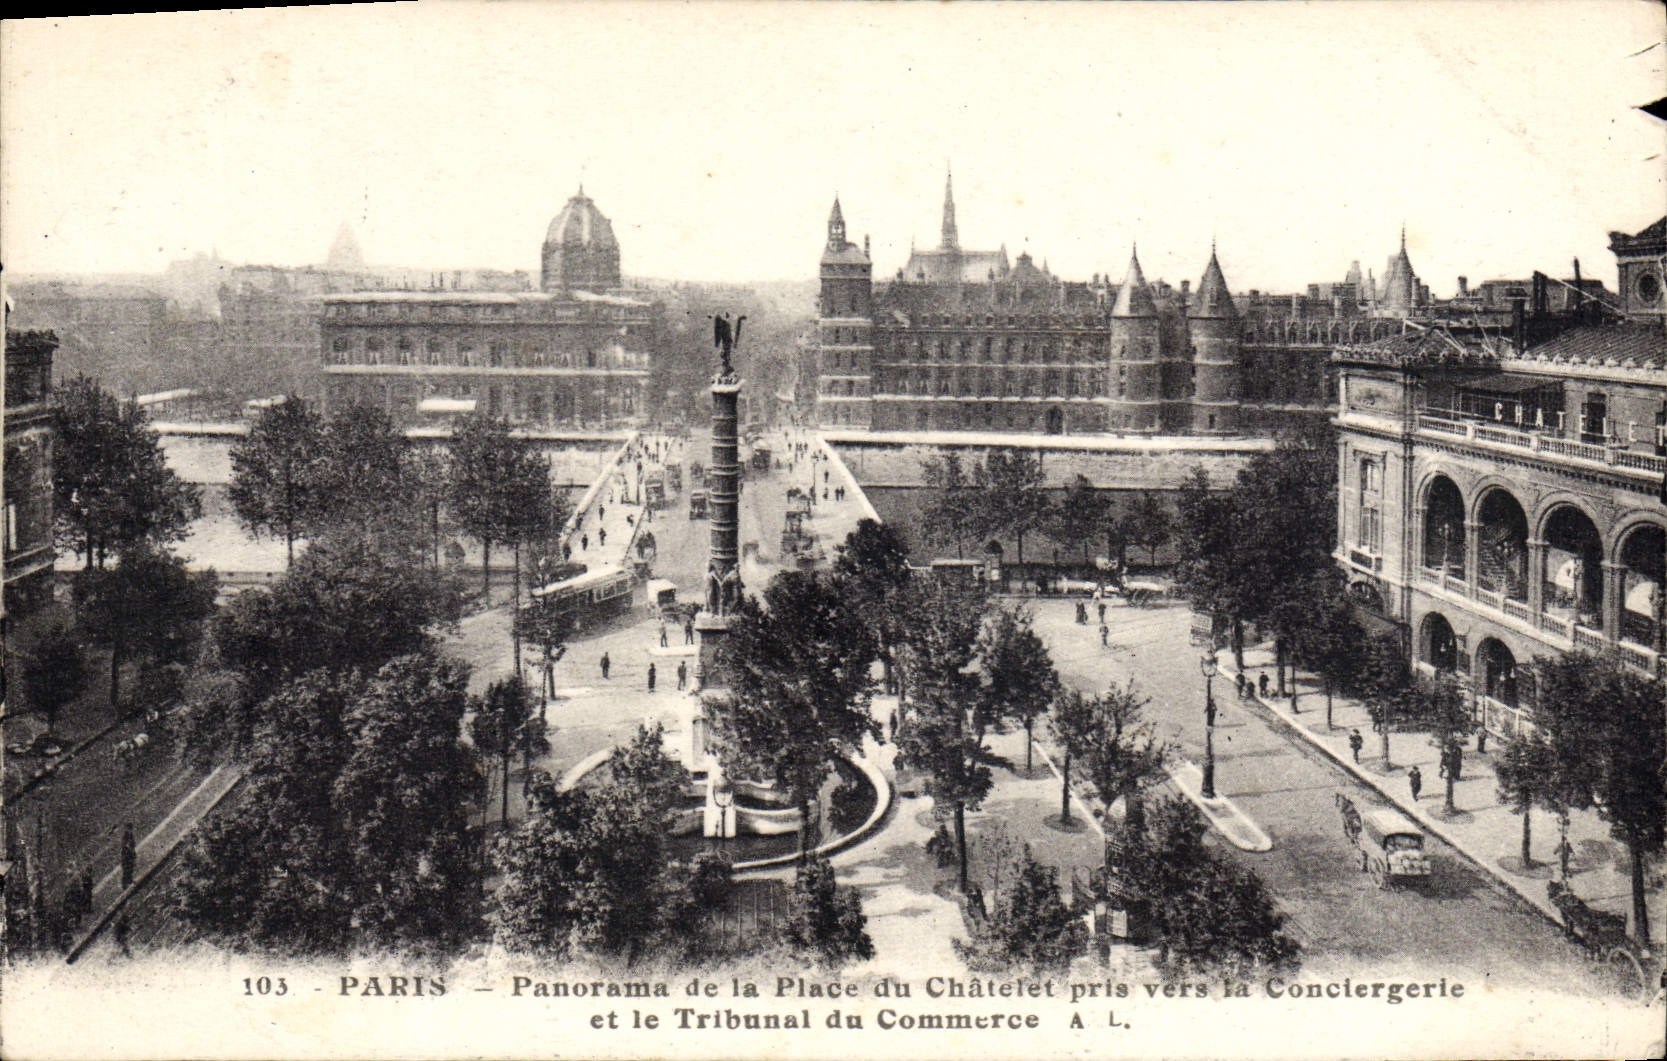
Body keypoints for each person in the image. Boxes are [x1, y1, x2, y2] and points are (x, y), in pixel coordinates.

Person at [120, 823, 136, 889]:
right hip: (126, 855)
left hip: (130, 854)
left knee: (130, 868)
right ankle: (124, 884)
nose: (131, 830)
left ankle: (129, 880)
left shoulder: (130, 836)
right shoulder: (125, 837)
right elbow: (126, 846)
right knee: (126, 869)